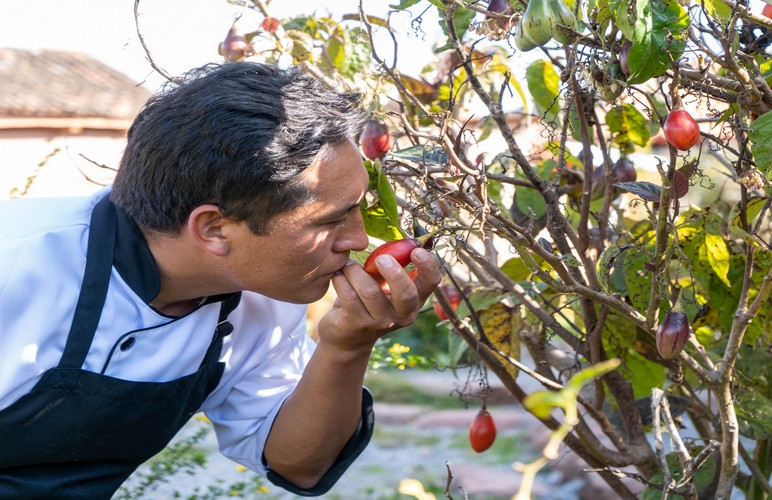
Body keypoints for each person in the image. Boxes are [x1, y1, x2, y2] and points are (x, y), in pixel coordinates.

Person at [0, 62, 441, 498]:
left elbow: (299, 464)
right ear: (212, 229)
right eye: (331, 220)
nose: (359, 239)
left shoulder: (265, 299)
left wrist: (347, 347)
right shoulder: (17, 266)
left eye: (357, 208)